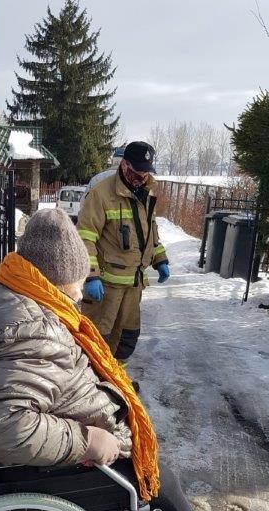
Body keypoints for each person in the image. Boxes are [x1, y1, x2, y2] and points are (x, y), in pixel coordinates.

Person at [0, 208, 264, 511]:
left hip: (8, 442)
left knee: (142, 434)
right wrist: (90, 440)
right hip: (41, 466)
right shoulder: (32, 331)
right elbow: (9, 426)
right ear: (53, 279)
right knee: (156, 476)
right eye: (77, 283)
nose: (80, 294)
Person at [77, 141, 170, 375]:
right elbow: (85, 237)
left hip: (134, 286)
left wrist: (160, 259)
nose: (142, 177)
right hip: (106, 288)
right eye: (137, 171)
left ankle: (117, 380)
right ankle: (92, 383)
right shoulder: (101, 194)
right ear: (125, 165)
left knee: (127, 338)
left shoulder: (147, 192)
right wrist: (91, 276)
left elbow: (149, 232)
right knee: (97, 339)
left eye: (145, 171)